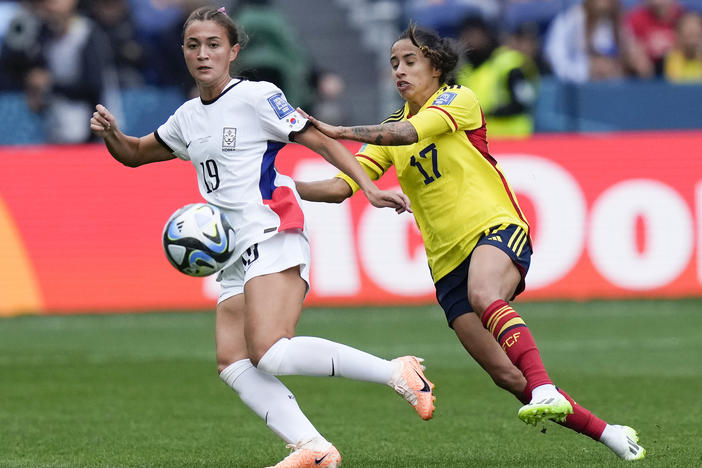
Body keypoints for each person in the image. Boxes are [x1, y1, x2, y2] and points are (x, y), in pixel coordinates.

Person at [89, 7, 434, 468]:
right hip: (231, 251)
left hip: (272, 230)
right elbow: (133, 153)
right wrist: (114, 134)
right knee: (233, 362)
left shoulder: (256, 97)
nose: (203, 54)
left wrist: (367, 186)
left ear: (233, 51)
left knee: (270, 352)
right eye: (193, 45)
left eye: (213, 44)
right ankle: (313, 448)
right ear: (184, 53)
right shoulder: (187, 117)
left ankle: (398, 371)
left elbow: (318, 139)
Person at [295, 24, 646, 462]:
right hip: (445, 265)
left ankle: (545, 388)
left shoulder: (457, 100)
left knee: (485, 294)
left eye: (410, 61)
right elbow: (343, 185)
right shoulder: (391, 126)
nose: (399, 71)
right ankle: (610, 434)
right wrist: (281, 187)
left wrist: (336, 131)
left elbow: (408, 136)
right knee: (504, 375)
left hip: (494, 229)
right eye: (393, 64)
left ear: (436, 67)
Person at [0, 0, 119, 143]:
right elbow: (15, 65)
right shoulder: (45, 34)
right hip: (56, 126)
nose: (49, 7)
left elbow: (94, 86)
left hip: (89, 129)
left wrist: (50, 84)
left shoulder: (87, 33)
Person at [455, 16, 540, 138]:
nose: (473, 40)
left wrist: (488, 114)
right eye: (468, 35)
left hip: (514, 137)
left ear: (486, 35)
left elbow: (521, 103)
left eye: (476, 34)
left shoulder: (508, 62)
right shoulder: (462, 68)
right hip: (482, 140)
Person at [543, 0, 651, 83]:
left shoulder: (619, 23)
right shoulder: (570, 20)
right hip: (579, 93)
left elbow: (628, 57)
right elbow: (555, 60)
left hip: (614, 91)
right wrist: (588, 70)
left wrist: (630, 63)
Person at [625, 0, 685, 76]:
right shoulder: (635, 18)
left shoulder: (683, 16)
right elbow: (632, 47)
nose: (659, 2)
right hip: (649, 71)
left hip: (678, 68)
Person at [663, 10, 702, 82]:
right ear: (679, 35)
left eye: (696, 35)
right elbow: (675, 80)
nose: (692, 41)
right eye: (688, 35)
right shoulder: (672, 57)